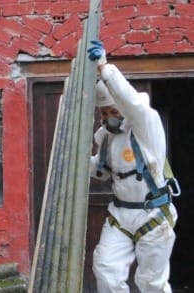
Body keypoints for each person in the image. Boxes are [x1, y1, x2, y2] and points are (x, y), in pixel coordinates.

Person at [88, 40, 178, 293]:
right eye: (103, 113)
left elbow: (131, 103)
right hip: (120, 215)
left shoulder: (145, 123)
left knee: (151, 282)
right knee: (106, 270)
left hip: (154, 214)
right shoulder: (105, 137)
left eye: (112, 111)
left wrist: (106, 70)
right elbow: (101, 170)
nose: (107, 117)